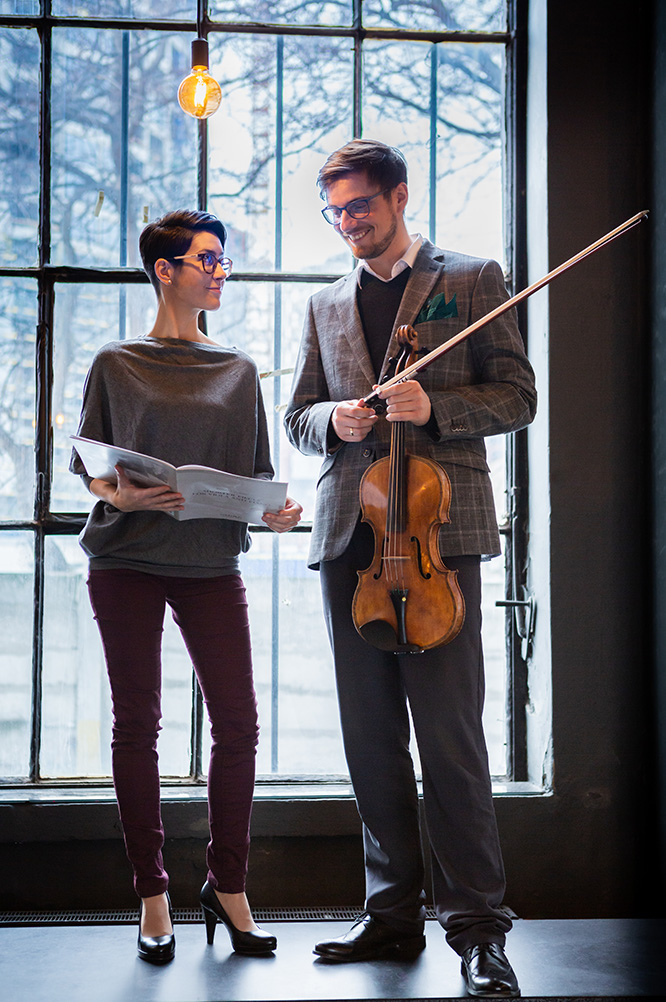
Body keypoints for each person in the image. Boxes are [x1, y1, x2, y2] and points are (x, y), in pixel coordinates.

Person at [284, 140, 536, 997]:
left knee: (452, 742)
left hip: (436, 532)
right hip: (350, 539)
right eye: (337, 212)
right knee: (369, 741)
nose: (350, 222)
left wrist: (441, 407)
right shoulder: (324, 302)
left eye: (361, 205)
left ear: (398, 195)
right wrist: (334, 422)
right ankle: (391, 917)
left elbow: (517, 394)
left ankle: (477, 930)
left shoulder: (469, 278)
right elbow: (297, 414)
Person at [70, 209, 302, 965]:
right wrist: (121, 496)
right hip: (127, 560)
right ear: (165, 269)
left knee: (239, 726)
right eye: (206, 259)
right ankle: (153, 895)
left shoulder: (237, 371)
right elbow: (94, 470)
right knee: (137, 726)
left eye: (223, 260)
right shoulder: (115, 361)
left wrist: (277, 513)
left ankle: (227, 888)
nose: (219, 271)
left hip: (211, 564)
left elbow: (258, 479)